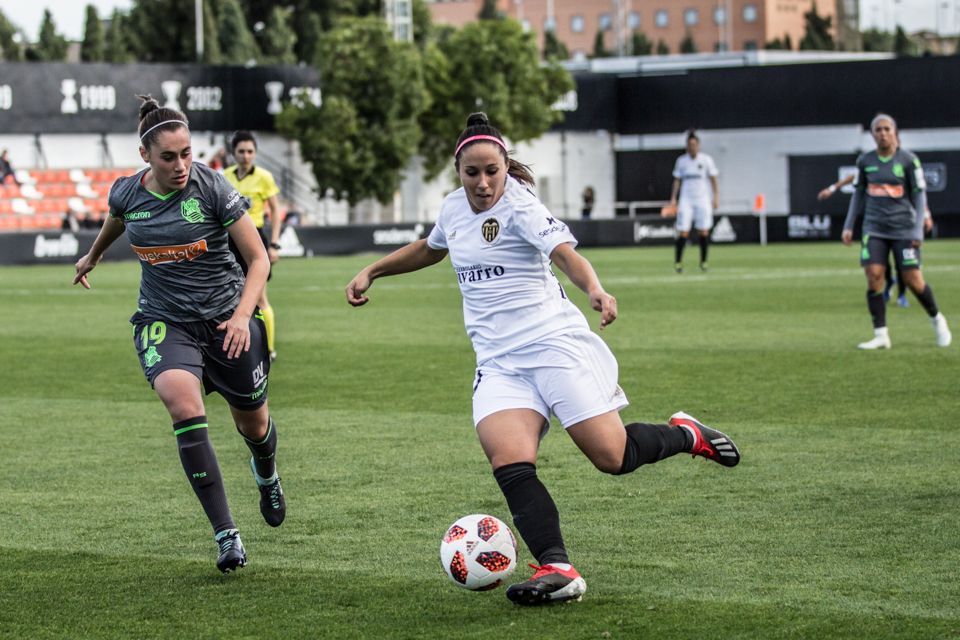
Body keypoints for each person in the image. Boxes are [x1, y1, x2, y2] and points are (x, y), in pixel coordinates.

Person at [345, 113, 741, 606]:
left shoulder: (521, 205)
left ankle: (687, 434)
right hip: (499, 362)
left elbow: (564, 254)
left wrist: (595, 288)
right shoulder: (452, 209)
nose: (484, 182)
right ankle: (558, 567)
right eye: (473, 173)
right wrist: (373, 271)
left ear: (506, 166)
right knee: (508, 459)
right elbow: (431, 249)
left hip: (553, 345)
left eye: (493, 170)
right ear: (458, 171)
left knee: (612, 458)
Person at [72, 95, 286, 574]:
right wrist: (94, 255)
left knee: (253, 426)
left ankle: (266, 472)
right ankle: (226, 534)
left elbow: (258, 260)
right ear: (145, 155)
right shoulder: (128, 192)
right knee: (184, 406)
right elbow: (117, 219)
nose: (181, 164)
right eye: (169, 156)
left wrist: (239, 317)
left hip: (226, 319)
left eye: (187, 153)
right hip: (164, 320)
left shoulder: (213, 189)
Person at [841, 113, 951, 349]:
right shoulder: (865, 161)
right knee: (874, 276)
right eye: (878, 130)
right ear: (872, 134)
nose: (882, 133)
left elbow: (919, 195)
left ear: (895, 132)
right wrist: (849, 225)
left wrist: (918, 231)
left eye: (886, 129)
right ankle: (881, 334)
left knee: (913, 280)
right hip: (874, 228)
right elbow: (858, 194)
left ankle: (937, 319)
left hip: (904, 229)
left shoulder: (909, 161)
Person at [224, 131, 282, 362]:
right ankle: (238, 343)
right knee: (231, 295)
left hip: (255, 237)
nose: (246, 156)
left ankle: (268, 349)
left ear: (255, 153)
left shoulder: (264, 177)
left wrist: (275, 243)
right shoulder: (225, 176)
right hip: (230, 239)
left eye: (250, 151)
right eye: (241, 151)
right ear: (233, 153)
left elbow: (276, 211)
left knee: (259, 297)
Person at [669, 130, 718, 273]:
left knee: (704, 231)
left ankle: (704, 262)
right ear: (687, 146)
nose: (692, 147)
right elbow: (677, 181)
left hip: (702, 199)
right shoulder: (681, 161)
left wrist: (716, 197)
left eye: (694, 144)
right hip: (686, 199)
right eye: (690, 145)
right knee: (683, 231)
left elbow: (714, 180)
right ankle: (678, 263)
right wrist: (673, 198)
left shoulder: (706, 160)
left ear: (698, 145)